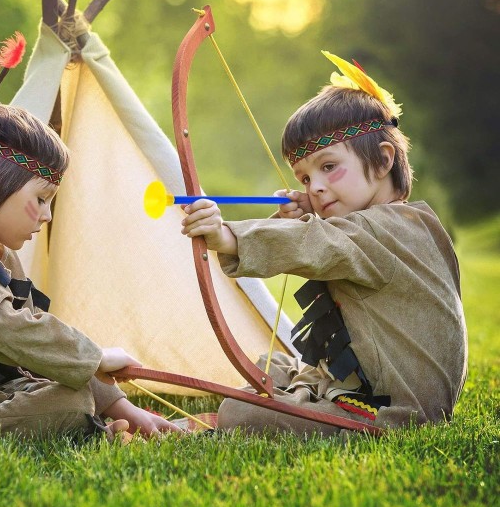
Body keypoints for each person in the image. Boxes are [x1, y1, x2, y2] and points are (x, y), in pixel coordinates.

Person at [180, 51, 467, 436]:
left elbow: (321, 244)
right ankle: (289, 397)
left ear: (383, 162)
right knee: (276, 366)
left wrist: (228, 236)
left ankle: (202, 425)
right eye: (304, 178)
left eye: (328, 167)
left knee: (242, 411)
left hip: (394, 413)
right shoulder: (400, 224)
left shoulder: (392, 230)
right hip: (378, 392)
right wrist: (300, 219)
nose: (314, 186)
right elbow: (329, 242)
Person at [0, 100, 180, 442]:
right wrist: (95, 356)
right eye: (41, 199)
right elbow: (11, 331)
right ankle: (89, 430)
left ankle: (97, 426)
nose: (47, 216)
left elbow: (33, 337)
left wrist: (123, 407)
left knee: (70, 392)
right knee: (69, 403)